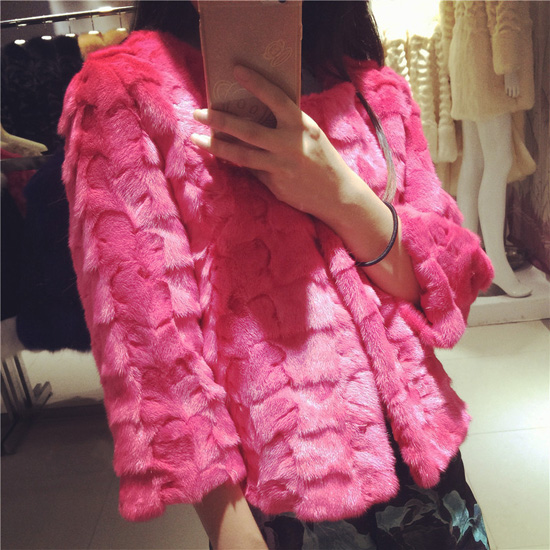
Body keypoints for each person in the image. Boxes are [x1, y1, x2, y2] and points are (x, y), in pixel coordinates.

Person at [58, 1, 494, 548]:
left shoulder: (370, 86)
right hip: (290, 501)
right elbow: (150, 349)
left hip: (433, 475)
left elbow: (443, 287)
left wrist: (339, 194)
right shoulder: (124, 94)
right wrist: (231, 532)